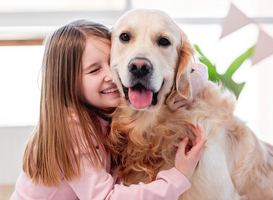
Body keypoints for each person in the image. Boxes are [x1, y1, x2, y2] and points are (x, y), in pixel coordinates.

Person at [10, 19, 207, 200]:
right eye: (94, 70)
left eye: (113, 62)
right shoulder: (71, 129)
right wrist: (179, 176)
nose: (112, 76)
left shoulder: (104, 107)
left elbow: (195, 65)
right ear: (67, 83)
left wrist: (193, 82)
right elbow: (106, 198)